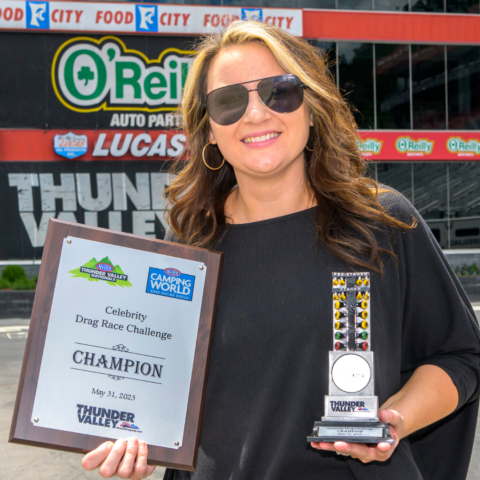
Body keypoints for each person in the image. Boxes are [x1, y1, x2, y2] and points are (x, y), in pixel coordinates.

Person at [81, 21, 480, 480]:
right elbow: (158, 395)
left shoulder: (384, 221)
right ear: (209, 130)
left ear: (312, 108)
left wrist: (396, 421)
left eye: (280, 91)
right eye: (229, 101)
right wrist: (139, 441)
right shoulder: (187, 249)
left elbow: (460, 356)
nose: (254, 114)